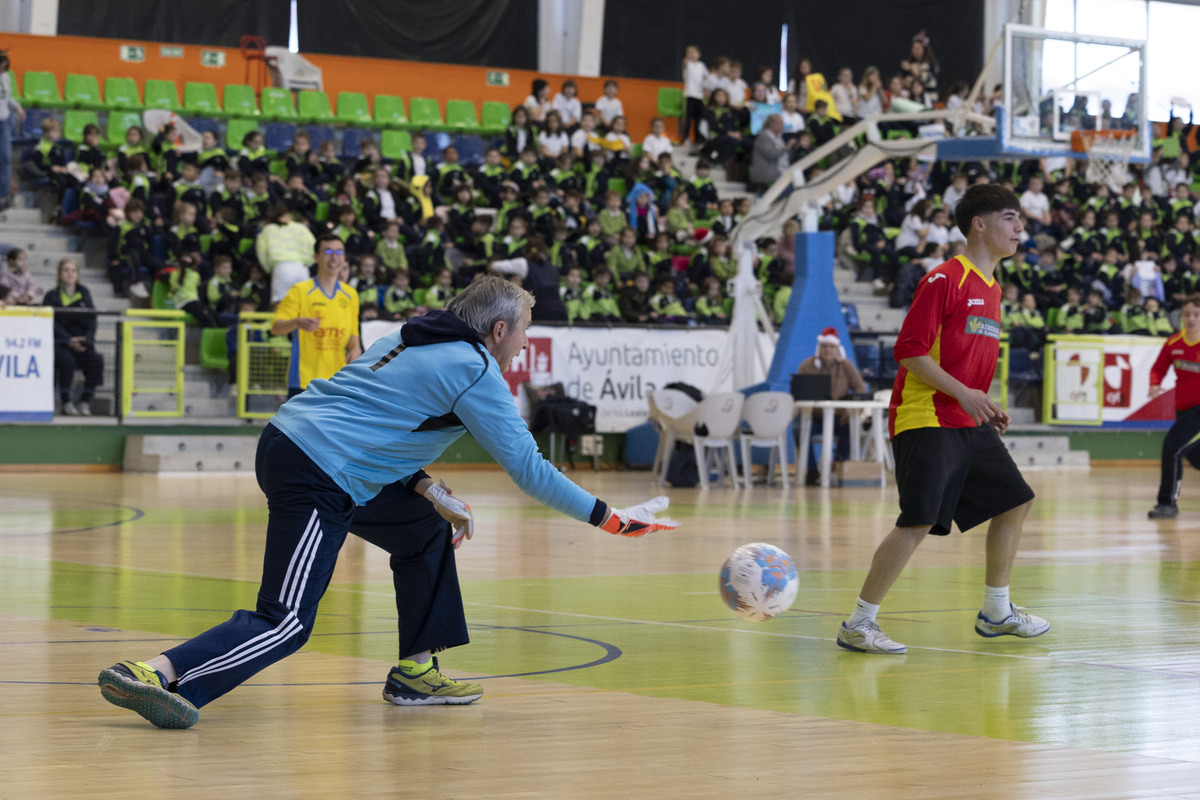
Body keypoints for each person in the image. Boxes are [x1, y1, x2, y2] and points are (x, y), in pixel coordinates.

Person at [97, 274, 679, 729]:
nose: (525, 345)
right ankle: (156, 674)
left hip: (295, 442)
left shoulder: (410, 334)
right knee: (288, 620)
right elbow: (528, 469)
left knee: (425, 531)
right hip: (317, 467)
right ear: (498, 330)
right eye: (524, 330)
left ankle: (416, 672)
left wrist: (427, 487)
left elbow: (375, 421)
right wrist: (611, 519)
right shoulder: (475, 369)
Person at [836, 183, 1049, 655]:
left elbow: (961, 360)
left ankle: (997, 611)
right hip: (925, 416)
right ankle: (858, 623)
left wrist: (983, 404)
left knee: (1016, 501)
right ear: (980, 223)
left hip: (966, 419)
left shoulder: (993, 288)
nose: (1020, 228)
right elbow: (909, 352)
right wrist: (965, 395)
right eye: (1011, 218)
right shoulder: (944, 279)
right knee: (916, 521)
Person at [270, 233, 362, 397]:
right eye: (327, 252)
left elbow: (353, 338)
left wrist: (355, 350)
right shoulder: (300, 291)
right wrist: (297, 322)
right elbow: (276, 328)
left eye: (339, 252)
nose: (334, 258)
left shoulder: (351, 295)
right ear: (316, 257)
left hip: (338, 381)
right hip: (304, 380)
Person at [1147, 296, 1200, 519]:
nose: (1191, 319)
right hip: (1183, 409)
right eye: (1187, 314)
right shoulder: (1173, 343)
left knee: (1172, 448)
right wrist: (1154, 384)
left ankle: (1167, 503)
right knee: (1195, 457)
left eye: (1197, 315)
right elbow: (1157, 368)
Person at [795, 327, 868, 483]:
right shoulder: (807, 365)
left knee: (850, 427)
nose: (827, 350)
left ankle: (838, 467)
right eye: (824, 346)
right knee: (797, 427)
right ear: (819, 348)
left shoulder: (846, 366)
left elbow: (860, 389)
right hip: (813, 417)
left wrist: (851, 412)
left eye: (831, 347)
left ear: (837, 349)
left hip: (838, 418)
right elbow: (797, 390)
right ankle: (812, 470)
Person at [43, 258, 102, 416]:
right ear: (60, 274)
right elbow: (50, 322)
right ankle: (66, 401)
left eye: (73, 270)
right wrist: (68, 339)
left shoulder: (85, 293)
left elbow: (92, 319)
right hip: (61, 343)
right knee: (67, 361)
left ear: (77, 274)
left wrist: (87, 339)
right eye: (66, 270)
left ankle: (85, 401)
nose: (70, 274)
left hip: (82, 342)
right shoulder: (52, 296)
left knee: (96, 361)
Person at [256, 205, 317, 306]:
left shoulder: (267, 230)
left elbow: (261, 252)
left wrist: (269, 268)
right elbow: (314, 247)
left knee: (280, 303)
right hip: (302, 268)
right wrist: (308, 264)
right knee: (305, 303)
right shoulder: (301, 228)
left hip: (281, 268)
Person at [0, 50, 24, 210]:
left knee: (7, 158)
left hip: (4, 123)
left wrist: (18, 107)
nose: (2, 70)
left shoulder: (6, 77)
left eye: (4, 67)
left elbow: (7, 98)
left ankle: (2, 196)